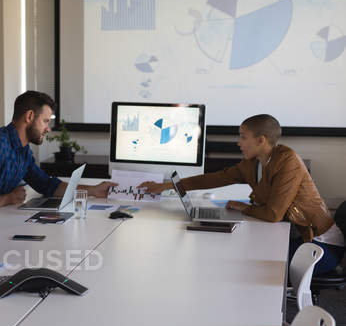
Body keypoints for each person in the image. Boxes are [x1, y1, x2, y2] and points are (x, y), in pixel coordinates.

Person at [139, 114, 345, 275]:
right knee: (241, 256)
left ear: (261, 140)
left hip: (319, 246)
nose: (239, 142)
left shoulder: (288, 162)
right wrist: (166, 186)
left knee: (247, 265)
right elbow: (215, 178)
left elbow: (273, 214)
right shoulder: (253, 163)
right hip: (295, 237)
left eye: (243, 137)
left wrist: (243, 207)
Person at [0, 91, 116, 216]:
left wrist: (93, 190)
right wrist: (9, 198)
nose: (48, 128)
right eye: (45, 121)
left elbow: (47, 185)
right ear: (30, 116)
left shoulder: (23, 151)